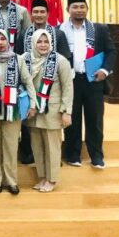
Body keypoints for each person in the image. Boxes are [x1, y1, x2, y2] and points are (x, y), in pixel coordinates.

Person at [60, 0, 116, 168]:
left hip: (93, 80)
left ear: (87, 9)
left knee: (95, 119)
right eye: (75, 7)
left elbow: (111, 51)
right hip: (71, 81)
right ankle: (72, 154)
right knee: (72, 119)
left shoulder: (99, 29)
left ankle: (96, 155)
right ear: (68, 9)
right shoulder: (59, 30)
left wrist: (104, 70)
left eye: (82, 7)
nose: (79, 10)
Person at [15, 0, 71, 165]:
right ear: (31, 14)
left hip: (51, 88)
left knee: (50, 127)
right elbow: (18, 58)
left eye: (42, 12)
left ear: (47, 14)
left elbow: (65, 59)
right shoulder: (24, 34)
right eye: (35, 12)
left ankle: (52, 161)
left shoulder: (58, 34)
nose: (38, 15)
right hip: (30, 85)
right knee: (29, 125)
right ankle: (28, 154)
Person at [0, 29, 36, 195]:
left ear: (8, 41)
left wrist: (32, 104)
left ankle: (11, 181)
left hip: (12, 110)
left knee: (11, 146)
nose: (0, 42)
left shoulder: (18, 59)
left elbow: (28, 82)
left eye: (3, 39)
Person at [23, 30, 73, 192]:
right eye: (39, 41)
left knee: (52, 147)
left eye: (46, 41)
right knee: (37, 147)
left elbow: (68, 87)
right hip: (33, 111)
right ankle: (42, 177)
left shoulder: (60, 61)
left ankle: (52, 179)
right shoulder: (25, 59)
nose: (43, 45)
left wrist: (66, 111)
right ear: (33, 43)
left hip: (53, 111)